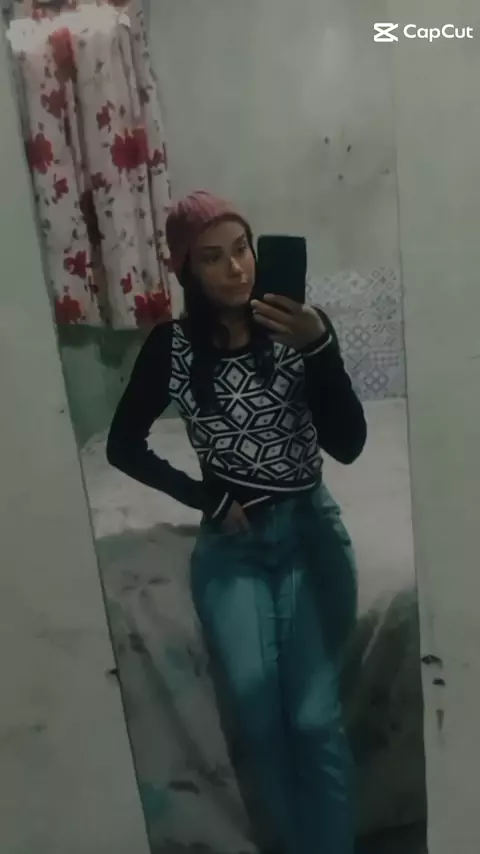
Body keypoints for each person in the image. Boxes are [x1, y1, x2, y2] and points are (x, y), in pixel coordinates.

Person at [106, 190, 367, 854]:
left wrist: (320, 348)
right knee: (260, 723)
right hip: (234, 545)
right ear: (188, 271)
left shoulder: (300, 331)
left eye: (243, 249)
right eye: (213, 258)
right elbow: (123, 445)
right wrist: (208, 500)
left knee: (313, 721)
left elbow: (349, 445)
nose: (236, 269)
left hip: (309, 533)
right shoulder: (172, 347)